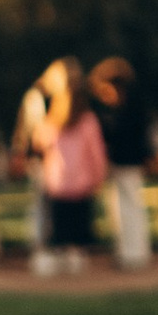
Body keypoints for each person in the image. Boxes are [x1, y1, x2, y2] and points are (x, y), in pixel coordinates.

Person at [34, 63, 106, 275]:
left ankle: (63, 259)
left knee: (61, 228)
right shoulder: (88, 121)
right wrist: (98, 177)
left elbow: (40, 143)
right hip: (81, 183)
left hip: (58, 183)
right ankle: (75, 261)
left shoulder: (53, 122)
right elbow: (96, 154)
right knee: (78, 229)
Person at [91, 59, 152, 271]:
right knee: (120, 208)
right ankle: (127, 250)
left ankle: (134, 253)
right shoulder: (125, 108)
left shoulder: (130, 109)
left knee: (130, 207)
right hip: (122, 164)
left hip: (127, 164)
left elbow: (131, 139)